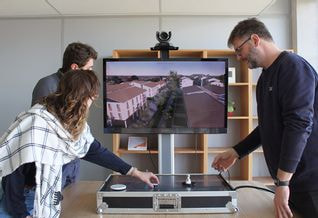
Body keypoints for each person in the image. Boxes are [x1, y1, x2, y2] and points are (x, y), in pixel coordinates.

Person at [0, 43, 159, 218]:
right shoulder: (36, 123)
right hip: (22, 201)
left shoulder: (72, 122)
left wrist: (136, 173)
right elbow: (12, 173)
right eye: (91, 95)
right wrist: (21, 214)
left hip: (48, 197)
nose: (94, 99)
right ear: (78, 97)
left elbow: (94, 150)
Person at [212, 18, 318, 218]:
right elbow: (267, 127)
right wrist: (236, 151)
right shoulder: (264, 79)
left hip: (310, 181)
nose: (239, 57)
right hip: (291, 182)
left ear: (255, 39)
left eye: (238, 50)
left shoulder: (292, 66)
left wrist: (283, 182)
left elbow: (299, 124)